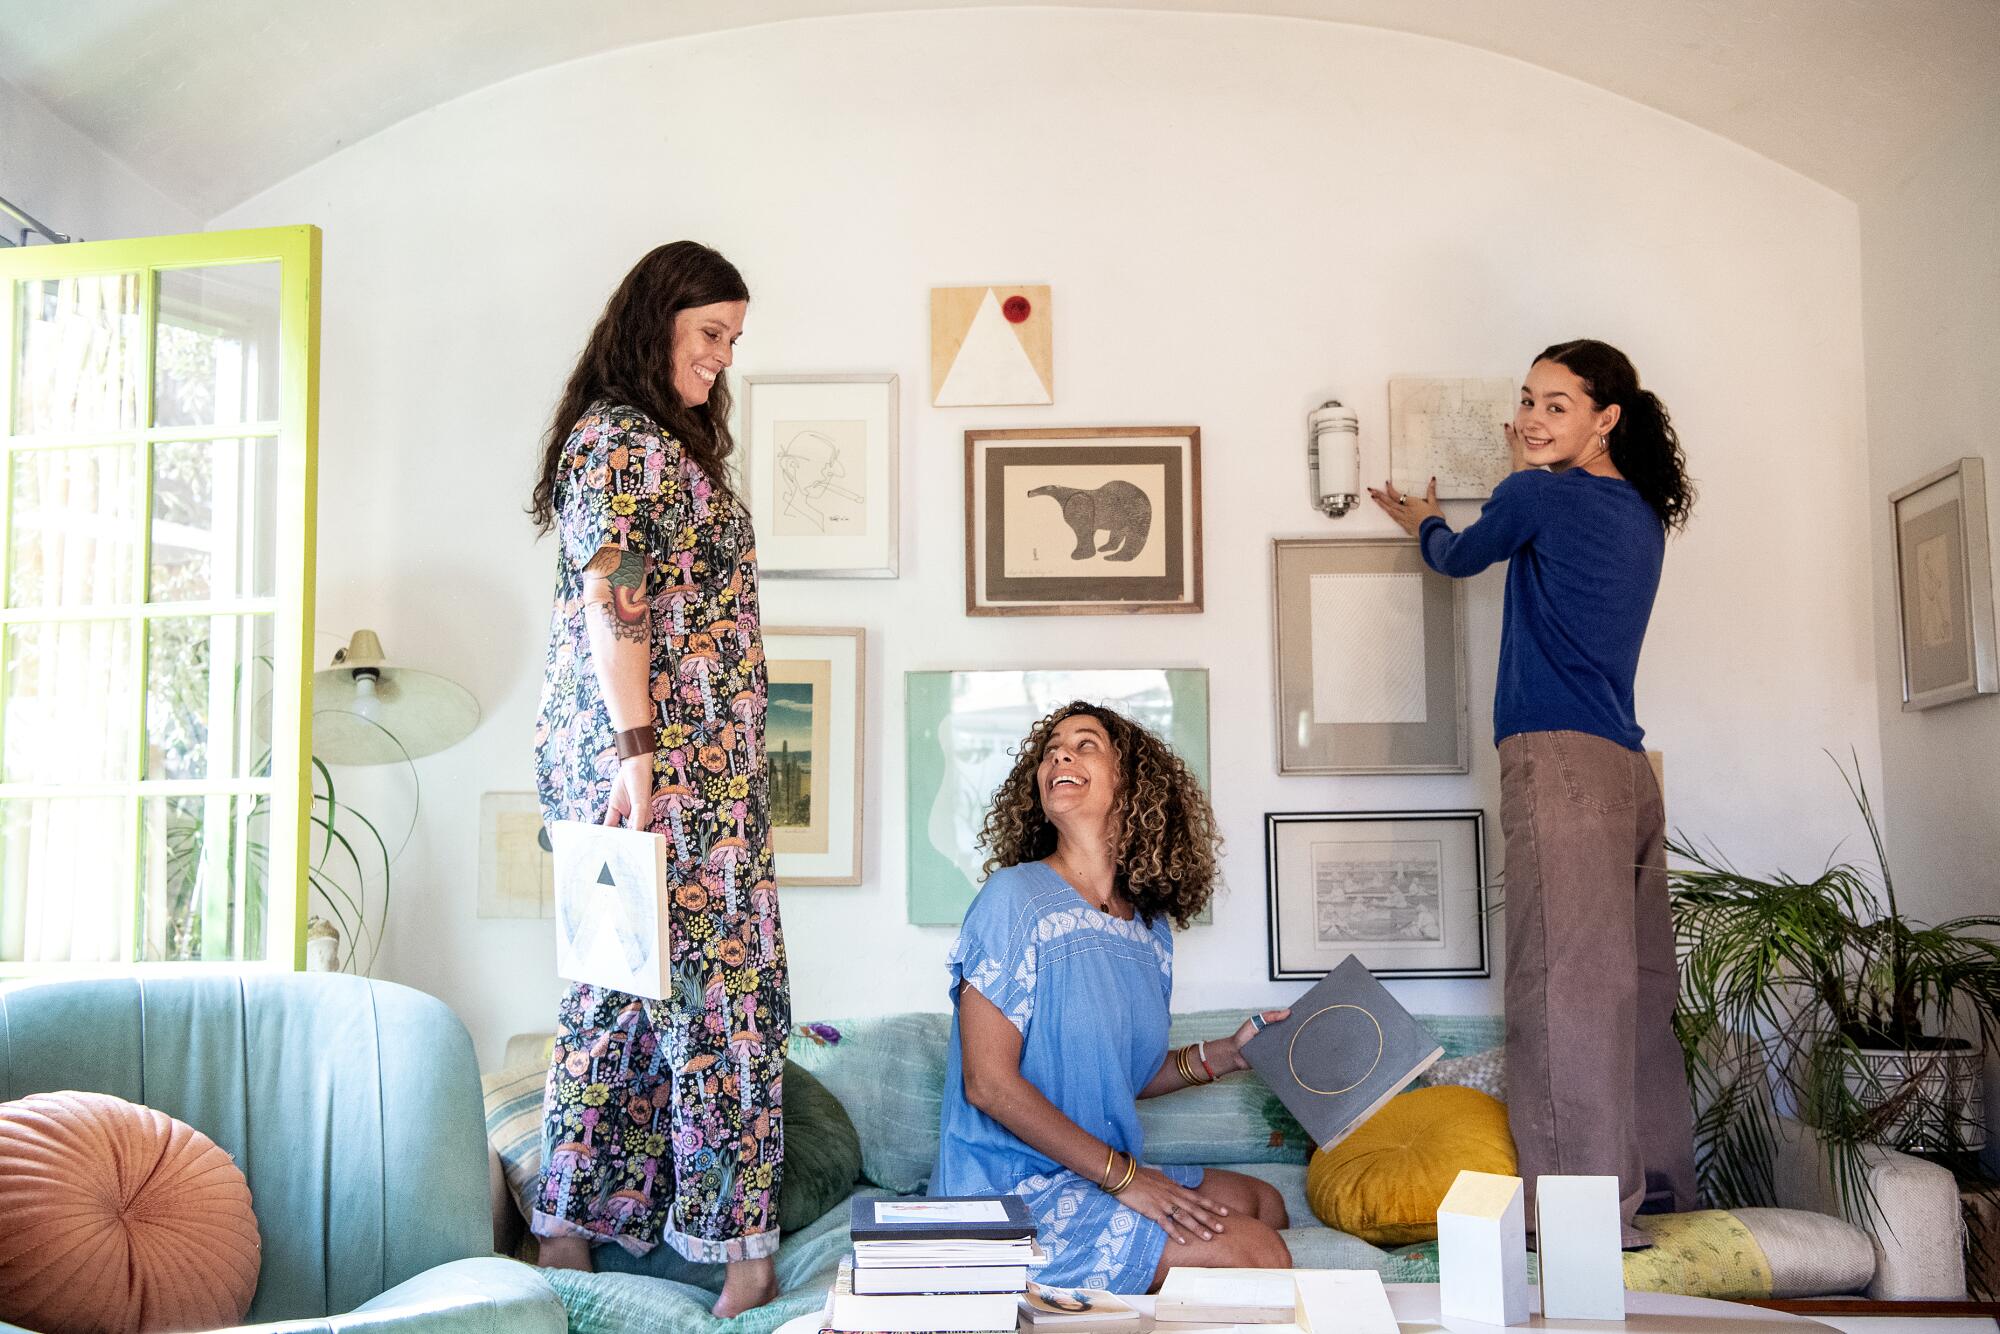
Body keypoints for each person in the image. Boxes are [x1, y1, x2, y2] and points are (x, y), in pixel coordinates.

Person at [1370, 339, 1698, 1246]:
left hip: (1557, 762)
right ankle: (1658, 1188)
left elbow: (1457, 557)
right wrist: (1532, 462)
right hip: (1627, 769)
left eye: (1557, 404)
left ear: (1606, 420)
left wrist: (1425, 521)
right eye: (1526, 400)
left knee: (1561, 985)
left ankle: (1584, 1220)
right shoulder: (1636, 513)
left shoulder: (1536, 495)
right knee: (1632, 986)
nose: (1531, 417)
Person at [526, 241, 787, 1317]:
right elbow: (614, 596)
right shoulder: (619, 441)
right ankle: (741, 1259)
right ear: (655, 326)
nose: (723, 358)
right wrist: (639, 757)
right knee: (720, 1000)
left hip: (683, 767)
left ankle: (570, 1234)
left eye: (731, 339)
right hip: (662, 768)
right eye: (709, 335)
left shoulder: (650, 445)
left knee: (623, 992)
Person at [932, 702, 1293, 1293]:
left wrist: (1226, 1053)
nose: (1059, 756)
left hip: (1091, 1173)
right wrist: (1128, 1180)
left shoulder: (1147, 930)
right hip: (1010, 1189)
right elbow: (989, 1085)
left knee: (1264, 1202)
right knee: (1259, 1252)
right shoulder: (1012, 899)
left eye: (1085, 744)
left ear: (1133, 783)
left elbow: (1124, 1073)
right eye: (1050, 749)